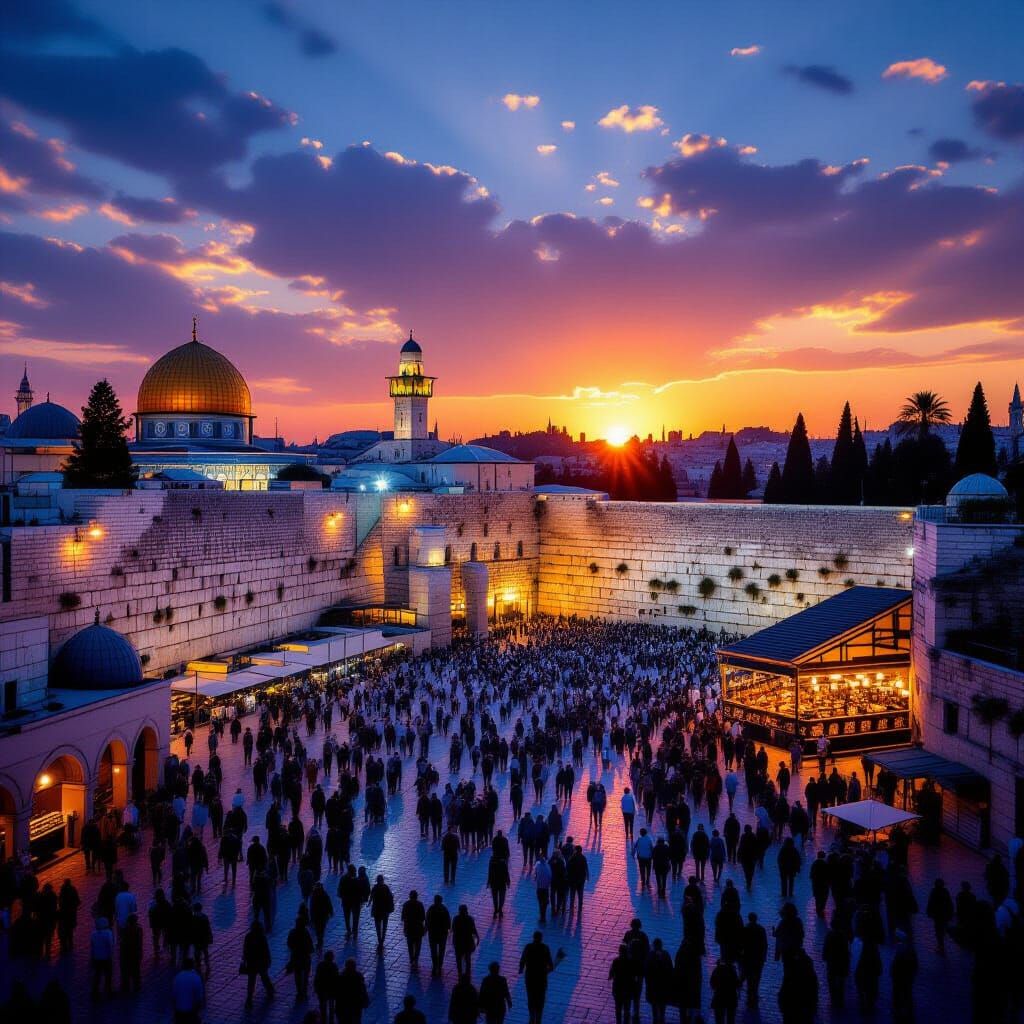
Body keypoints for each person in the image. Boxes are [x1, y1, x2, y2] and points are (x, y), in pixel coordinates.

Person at [519, 930, 559, 1024]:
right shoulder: (545, 948)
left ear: (533, 938)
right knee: (540, 998)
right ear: (541, 938)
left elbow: (522, 960)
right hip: (541, 978)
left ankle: (532, 1017)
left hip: (530, 977)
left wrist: (521, 969)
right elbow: (550, 965)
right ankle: (538, 1018)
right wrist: (549, 968)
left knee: (531, 997)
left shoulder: (528, 947)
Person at [242, 920, 275, 1009]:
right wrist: (268, 960)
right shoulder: (261, 937)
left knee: (251, 980)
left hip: (252, 962)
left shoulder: (248, 936)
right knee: (264, 976)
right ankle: (270, 990)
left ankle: (249, 998)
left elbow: (245, 950)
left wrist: (244, 960)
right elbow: (266, 950)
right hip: (261, 962)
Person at [822, 917, 850, 1011]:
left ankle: (833, 998)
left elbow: (826, 947)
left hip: (832, 962)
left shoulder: (829, 935)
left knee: (831, 980)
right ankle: (840, 1000)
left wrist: (824, 956)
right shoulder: (843, 936)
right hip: (841, 962)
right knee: (841, 982)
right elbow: (846, 950)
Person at [739, 912, 767, 1006]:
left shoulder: (745, 929)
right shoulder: (761, 929)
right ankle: (754, 995)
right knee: (757, 977)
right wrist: (764, 956)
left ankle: (749, 995)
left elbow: (741, 944)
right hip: (758, 957)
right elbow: (764, 944)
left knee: (748, 977)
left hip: (747, 957)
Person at [891, 930, 918, 1024]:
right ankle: (908, 1012)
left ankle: (898, 1011)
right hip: (908, 976)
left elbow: (895, 964)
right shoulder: (910, 948)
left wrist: (893, 973)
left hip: (900, 976)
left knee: (898, 993)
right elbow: (915, 964)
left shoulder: (900, 949)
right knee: (907, 993)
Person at [644, 937, 674, 1024]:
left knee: (654, 1003)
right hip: (663, 984)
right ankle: (662, 1017)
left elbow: (647, 970)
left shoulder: (650, 955)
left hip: (653, 985)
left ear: (654, 945)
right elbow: (670, 969)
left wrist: (648, 982)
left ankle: (655, 1018)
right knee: (662, 1003)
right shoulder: (666, 954)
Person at [286, 910, 315, 1000]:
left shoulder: (292, 932)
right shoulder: (306, 932)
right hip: (305, 957)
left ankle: (299, 992)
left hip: (296, 956)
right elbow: (310, 944)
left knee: (297, 975)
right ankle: (304, 991)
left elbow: (289, 944)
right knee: (305, 975)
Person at [335, 957, 370, 1024]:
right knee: (356, 1020)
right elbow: (362, 990)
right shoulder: (358, 976)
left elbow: (337, 992)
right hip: (355, 1004)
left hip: (344, 1005)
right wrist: (365, 1001)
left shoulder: (341, 976)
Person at [172, 957, 206, 1024]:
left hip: (179, 1011)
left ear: (183, 966)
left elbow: (173, 996)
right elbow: (199, 998)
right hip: (190, 1012)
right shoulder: (196, 978)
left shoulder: (177, 977)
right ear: (192, 966)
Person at [926, 877, 954, 954]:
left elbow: (930, 902)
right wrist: (951, 913)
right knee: (942, 929)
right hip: (943, 914)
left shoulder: (934, 891)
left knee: (938, 930)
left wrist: (929, 912)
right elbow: (949, 903)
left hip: (937, 914)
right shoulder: (945, 891)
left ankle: (941, 946)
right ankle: (942, 945)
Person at [451, 904, 480, 977]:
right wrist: (477, 937)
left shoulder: (456, 919)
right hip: (468, 941)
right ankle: (468, 972)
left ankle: (459, 972)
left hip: (458, 942)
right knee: (467, 958)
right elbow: (474, 930)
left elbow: (453, 929)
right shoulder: (470, 919)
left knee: (458, 958)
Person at [426, 894, 452, 975]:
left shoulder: (431, 909)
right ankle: (440, 966)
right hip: (442, 934)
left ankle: (434, 966)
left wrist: (427, 929)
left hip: (432, 933)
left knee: (433, 950)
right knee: (441, 950)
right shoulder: (444, 909)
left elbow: (427, 920)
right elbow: (448, 923)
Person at [709, 957, 740, 1024]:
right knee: (730, 1019)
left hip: (719, 998)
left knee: (719, 1019)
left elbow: (712, 983)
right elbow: (737, 984)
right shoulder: (732, 970)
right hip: (731, 998)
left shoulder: (717, 970)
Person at [90, 917, 115, 999]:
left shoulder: (93, 934)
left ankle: (95, 992)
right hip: (106, 958)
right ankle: (108, 991)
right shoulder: (108, 933)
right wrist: (111, 956)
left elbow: (92, 947)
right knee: (108, 975)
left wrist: (92, 958)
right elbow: (110, 946)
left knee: (97, 976)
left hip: (97, 958)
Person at [609, 944, 634, 1024]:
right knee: (626, 1009)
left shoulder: (616, 961)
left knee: (618, 1009)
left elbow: (611, 975)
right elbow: (633, 976)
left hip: (618, 989)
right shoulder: (630, 962)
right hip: (627, 989)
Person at [119, 912, 144, 993]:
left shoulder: (125, 929)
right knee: (136, 970)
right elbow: (140, 942)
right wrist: (140, 952)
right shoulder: (139, 929)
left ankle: (126, 986)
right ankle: (137, 986)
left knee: (126, 970)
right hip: (135, 952)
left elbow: (122, 942)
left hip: (126, 952)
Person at [401, 890, 427, 967]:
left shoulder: (406, 904)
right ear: (416, 896)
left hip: (409, 928)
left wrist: (405, 927)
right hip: (418, 928)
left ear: (410, 896)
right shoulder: (420, 905)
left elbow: (403, 917)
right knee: (418, 945)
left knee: (410, 945)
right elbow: (423, 917)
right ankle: (416, 959)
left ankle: (411, 958)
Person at [370, 874, 394, 948]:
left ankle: (379, 939)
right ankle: (382, 939)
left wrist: (370, 903)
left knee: (378, 926)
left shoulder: (375, 887)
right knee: (385, 925)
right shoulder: (386, 887)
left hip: (377, 910)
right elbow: (390, 897)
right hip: (385, 910)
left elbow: (371, 897)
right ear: (382, 880)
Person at [314, 950, 339, 1024]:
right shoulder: (334, 966)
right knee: (331, 1006)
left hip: (322, 989)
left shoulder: (320, 965)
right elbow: (336, 978)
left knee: (323, 1006)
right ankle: (331, 1021)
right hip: (331, 990)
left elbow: (317, 977)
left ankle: (323, 1020)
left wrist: (316, 987)